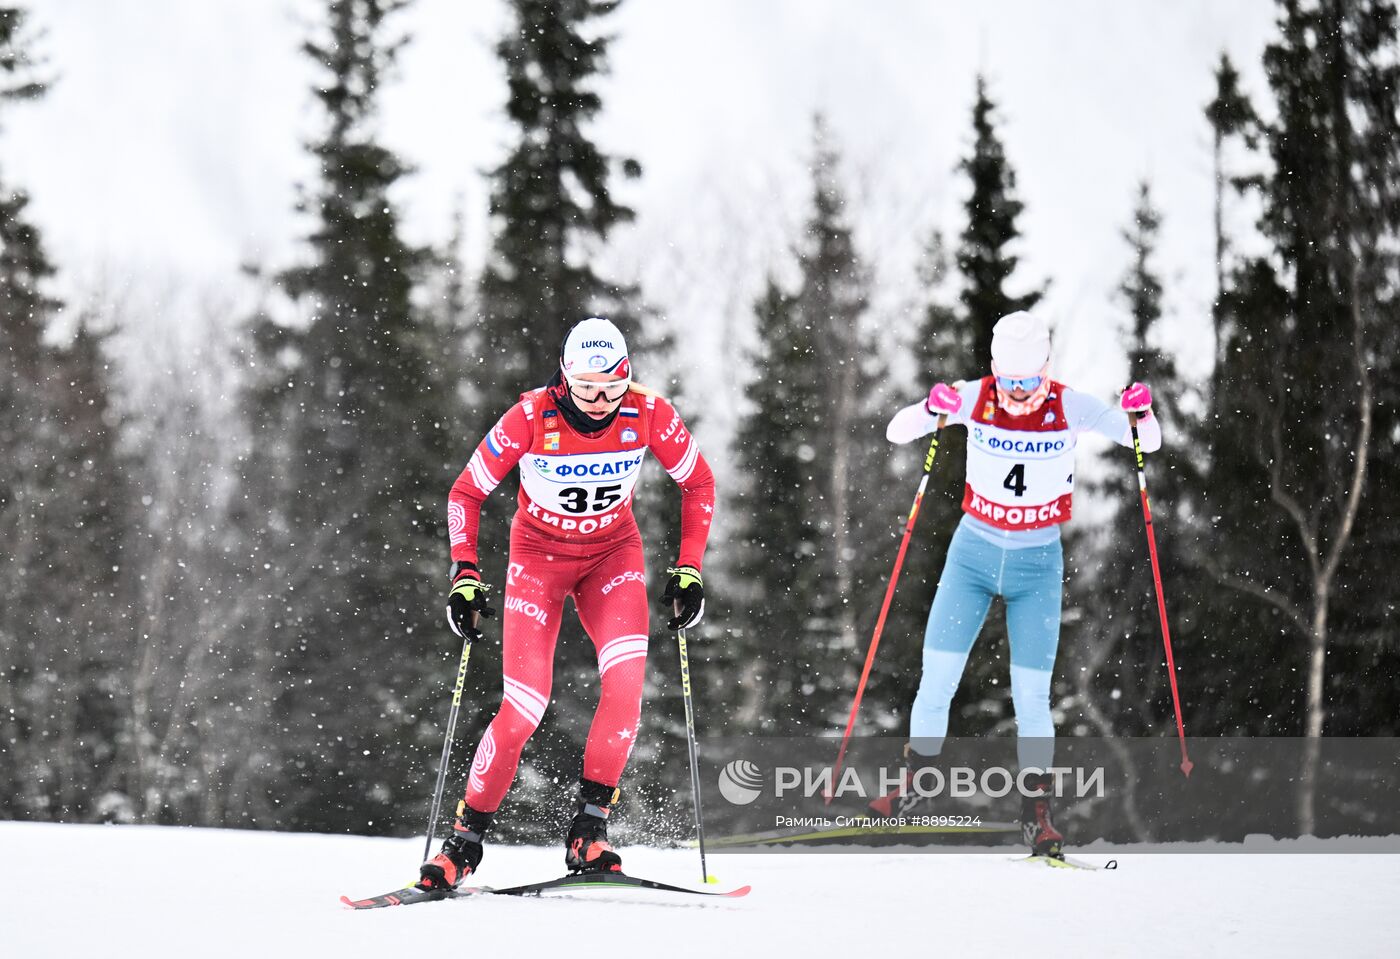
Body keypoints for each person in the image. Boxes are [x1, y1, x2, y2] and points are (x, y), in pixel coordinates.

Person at [417, 317, 716, 891]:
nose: (601, 401)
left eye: (612, 386)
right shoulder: (530, 416)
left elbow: (698, 482)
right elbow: (466, 491)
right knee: (525, 703)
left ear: (627, 378)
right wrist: (464, 572)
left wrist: (689, 568)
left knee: (626, 687)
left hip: (613, 556)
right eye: (587, 388)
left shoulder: (648, 413)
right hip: (539, 561)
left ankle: (590, 830)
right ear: (564, 380)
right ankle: (464, 843)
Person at [877, 311, 1160, 859]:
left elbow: (1145, 441)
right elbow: (897, 430)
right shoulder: (973, 396)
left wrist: (1141, 412)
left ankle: (1036, 816)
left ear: (1046, 370)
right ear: (993, 369)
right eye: (1009, 381)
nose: (1018, 393)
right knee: (937, 678)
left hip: (1036, 566)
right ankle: (915, 787)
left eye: (1029, 382)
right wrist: (930, 407)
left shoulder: (1069, 405)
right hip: (972, 558)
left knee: (1032, 696)